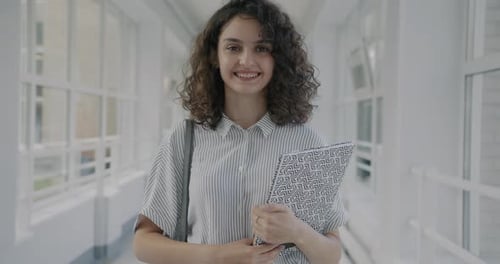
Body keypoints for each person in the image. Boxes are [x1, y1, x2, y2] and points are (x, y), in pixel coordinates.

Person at [133, 0, 347, 263]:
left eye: (262, 48)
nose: (247, 60)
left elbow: (332, 254)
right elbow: (143, 242)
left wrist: (297, 232)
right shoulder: (184, 138)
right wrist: (218, 255)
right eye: (233, 47)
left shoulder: (307, 141)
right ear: (215, 55)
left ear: (278, 57)